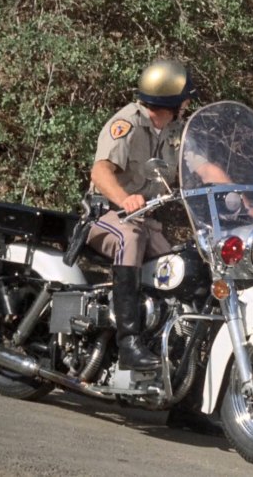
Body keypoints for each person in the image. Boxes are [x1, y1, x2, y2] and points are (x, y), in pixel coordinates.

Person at [85, 59, 210, 372]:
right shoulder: (126, 123)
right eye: (184, 97)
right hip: (106, 216)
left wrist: (238, 192)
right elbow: (101, 171)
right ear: (169, 99)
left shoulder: (176, 130)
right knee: (131, 237)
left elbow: (203, 166)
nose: (188, 103)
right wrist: (125, 199)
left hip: (145, 220)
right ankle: (128, 342)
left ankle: (164, 342)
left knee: (177, 269)